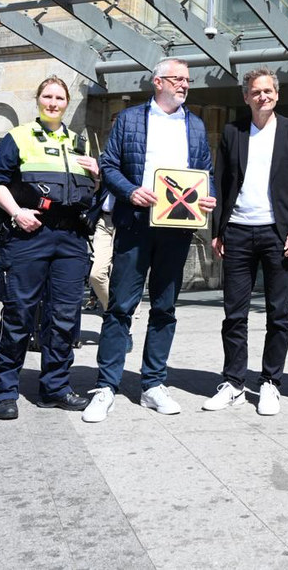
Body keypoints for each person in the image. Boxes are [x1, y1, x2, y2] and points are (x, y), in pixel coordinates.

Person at [83, 58, 215, 422]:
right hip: (136, 224)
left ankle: (153, 384)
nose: (184, 85)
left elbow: (206, 172)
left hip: (178, 228)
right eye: (178, 79)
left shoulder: (196, 126)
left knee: (165, 308)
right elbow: (108, 166)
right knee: (121, 306)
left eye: (188, 80)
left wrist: (208, 196)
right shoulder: (130, 120)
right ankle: (106, 386)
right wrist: (130, 192)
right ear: (158, 82)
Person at [0, 76, 98, 420]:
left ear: (66, 103)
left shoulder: (79, 142)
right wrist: (17, 213)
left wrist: (97, 175)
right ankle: (5, 389)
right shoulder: (18, 137)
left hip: (72, 238)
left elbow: (90, 193)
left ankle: (56, 387)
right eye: (47, 96)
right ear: (38, 100)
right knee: (19, 313)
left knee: (64, 317)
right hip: (29, 234)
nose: (53, 102)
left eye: (59, 97)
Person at [204, 68, 288, 416]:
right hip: (237, 230)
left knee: (277, 313)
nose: (262, 96)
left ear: (276, 95)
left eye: (268, 91)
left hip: (278, 234)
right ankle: (234, 383)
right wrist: (218, 230)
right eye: (255, 92)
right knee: (234, 314)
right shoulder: (234, 132)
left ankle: (270, 383)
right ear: (246, 97)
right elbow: (220, 181)